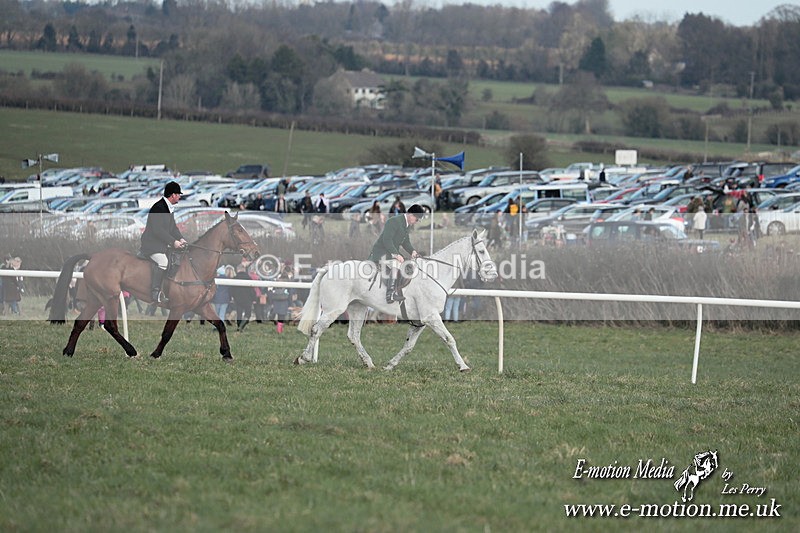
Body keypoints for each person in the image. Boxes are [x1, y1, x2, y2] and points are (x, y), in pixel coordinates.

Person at [140, 181, 188, 303]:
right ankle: (155, 292)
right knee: (163, 262)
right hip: (152, 245)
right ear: (173, 195)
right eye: (178, 194)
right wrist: (173, 242)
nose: (179, 196)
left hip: (162, 245)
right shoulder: (158, 208)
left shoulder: (169, 208)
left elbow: (173, 228)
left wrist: (181, 238)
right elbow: (158, 230)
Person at [368, 204, 424, 304]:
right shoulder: (394, 221)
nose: (416, 222)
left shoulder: (406, 225)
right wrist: (396, 255)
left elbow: (406, 242)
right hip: (381, 252)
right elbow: (387, 240)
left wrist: (413, 251)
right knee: (397, 263)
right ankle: (390, 294)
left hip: (390, 252)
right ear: (411, 215)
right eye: (417, 219)